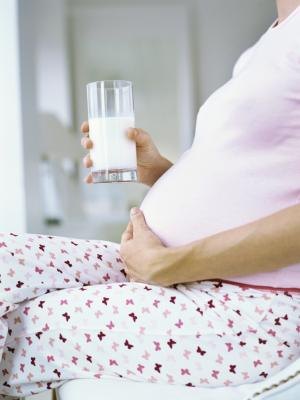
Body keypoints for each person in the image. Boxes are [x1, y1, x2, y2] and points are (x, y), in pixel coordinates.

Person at [1, 0, 300, 397]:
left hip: (250, 306)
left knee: (28, 326)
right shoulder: (271, 38)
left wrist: (169, 263)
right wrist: (161, 173)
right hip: (189, 274)